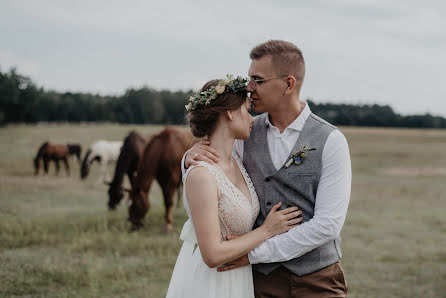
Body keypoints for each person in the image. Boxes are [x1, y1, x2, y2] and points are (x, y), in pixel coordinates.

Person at [183, 40, 351, 297]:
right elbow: (213, 172)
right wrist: (188, 157)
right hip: (259, 283)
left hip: (317, 280)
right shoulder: (243, 134)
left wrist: (255, 254)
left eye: (258, 80)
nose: (249, 89)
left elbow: (327, 225)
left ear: (288, 84)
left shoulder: (331, 140)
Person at [166, 75, 303, 298]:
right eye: (247, 110)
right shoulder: (202, 174)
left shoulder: (237, 161)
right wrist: (267, 231)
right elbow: (211, 255)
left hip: (240, 281)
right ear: (230, 113)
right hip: (212, 285)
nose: (252, 119)